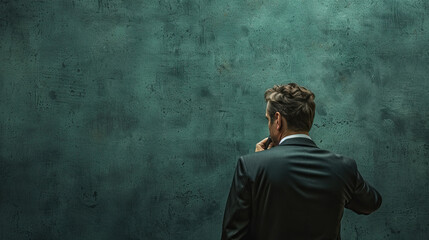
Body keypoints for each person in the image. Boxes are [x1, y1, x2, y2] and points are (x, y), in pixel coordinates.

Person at [221, 83, 382, 240]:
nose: (269, 125)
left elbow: (233, 235)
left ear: (277, 120)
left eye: (268, 120)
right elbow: (371, 203)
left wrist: (258, 163)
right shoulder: (344, 167)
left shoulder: (250, 166)